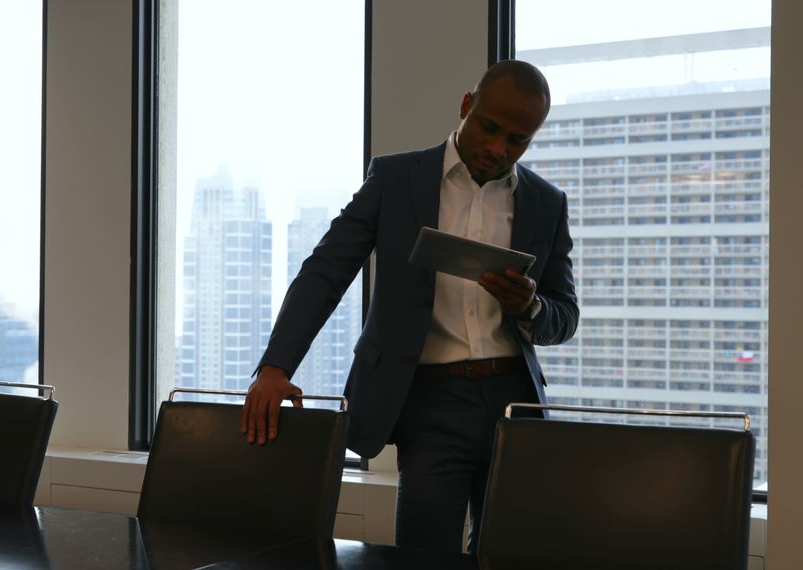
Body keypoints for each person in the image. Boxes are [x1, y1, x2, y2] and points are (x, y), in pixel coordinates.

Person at [240, 59, 579, 552]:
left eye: (517, 140)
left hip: (513, 403)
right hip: (430, 401)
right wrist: (275, 366)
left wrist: (529, 305)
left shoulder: (547, 202)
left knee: (513, 555)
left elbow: (564, 316)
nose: (498, 149)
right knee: (424, 555)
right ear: (466, 105)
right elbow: (325, 271)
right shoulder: (396, 179)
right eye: (489, 128)